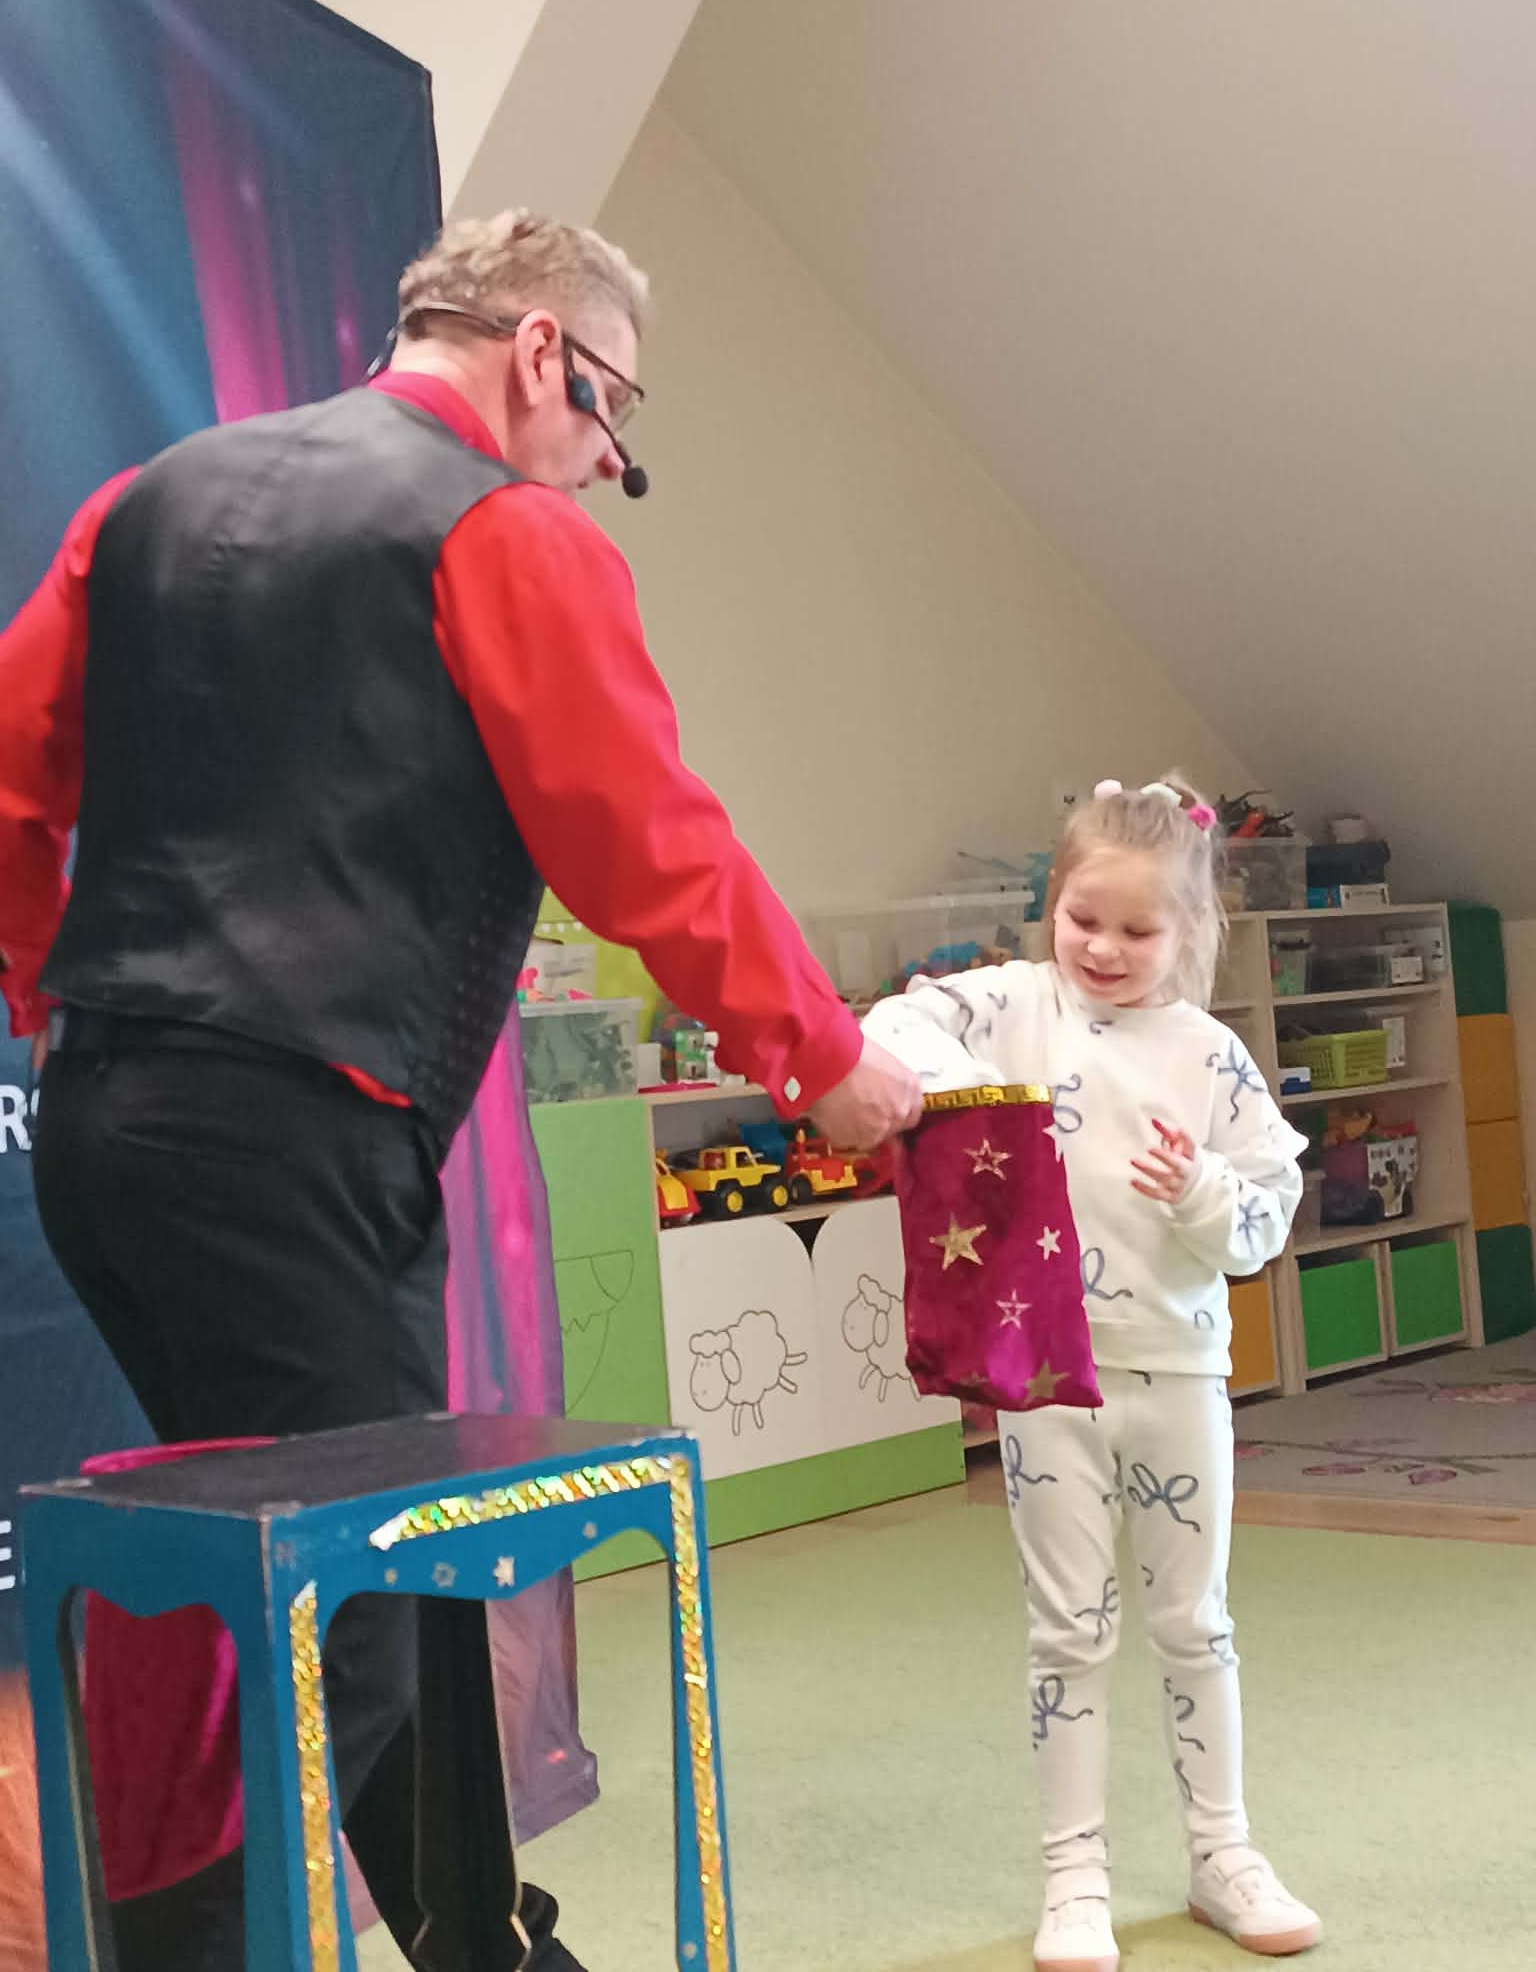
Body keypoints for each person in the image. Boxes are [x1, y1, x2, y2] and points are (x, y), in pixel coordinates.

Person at [0, 207, 921, 1972]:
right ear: (542, 352)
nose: (600, 465)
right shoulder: (500, 531)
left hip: (103, 1127)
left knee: (333, 1561)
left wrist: (53, 984)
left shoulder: (147, 501)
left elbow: (8, 772)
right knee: (350, 1593)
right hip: (294, 1136)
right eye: (610, 417)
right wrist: (821, 1054)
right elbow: (649, 844)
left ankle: (487, 1944)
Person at [862, 777, 1320, 1971]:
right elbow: (892, 1022)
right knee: (1069, 1631)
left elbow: (1264, 1219)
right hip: (1048, 1374)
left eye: (1138, 928)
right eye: (1083, 918)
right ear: (1052, 903)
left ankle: (1222, 1852)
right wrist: (957, 1089)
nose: (1104, 947)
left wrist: (1202, 1190)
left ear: (1190, 929)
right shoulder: (1015, 1003)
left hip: (1179, 1372)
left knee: (1195, 1622)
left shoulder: (1211, 1055)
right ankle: (1075, 1874)